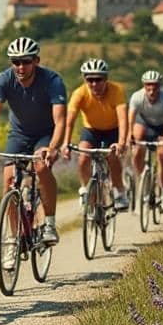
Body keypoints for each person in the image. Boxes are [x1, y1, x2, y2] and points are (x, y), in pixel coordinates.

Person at [0, 36, 66, 271]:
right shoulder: (4, 80)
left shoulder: (52, 81)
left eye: (25, 62)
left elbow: (60, 121)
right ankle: (13, 241)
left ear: (36, 61)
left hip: (46, 135)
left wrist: (53, 147)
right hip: (18, 135)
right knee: (8, 181)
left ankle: (49, 222)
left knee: (41, 166)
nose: (20, 67)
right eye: (15, 62)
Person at [62, 58, 130, 212]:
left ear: (106, 79)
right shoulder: (79, 93)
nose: (94, 84)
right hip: (91, 130)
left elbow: (123, 119)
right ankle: (85, 189)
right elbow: (69, 120)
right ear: (85, 79)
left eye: (98, 79)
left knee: (113, 157)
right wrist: (65, 143)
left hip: (113, 130)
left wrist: (121, 142)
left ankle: (119, 192)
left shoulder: (116, 91)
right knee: (83, 158)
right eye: (89, 79)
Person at [128, 69, 163, 213]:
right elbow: (130, 117)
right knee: (137, 148)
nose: (151, 89)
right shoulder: (137, 96)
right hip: (144, 123)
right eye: (148, 85)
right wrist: (128, 136)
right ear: (144, 85)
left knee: (162, 156)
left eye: (155, 85)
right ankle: (143, 179)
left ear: (160, 86)